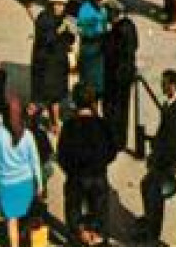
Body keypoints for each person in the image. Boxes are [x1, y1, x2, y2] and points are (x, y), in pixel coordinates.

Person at [139, 69, 176, 244]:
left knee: (155, 196)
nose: (161, 87)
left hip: (168, 162)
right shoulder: (170, 104)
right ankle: (150, 226)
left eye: (164, 84)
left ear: (173, 85)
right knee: (147, 188)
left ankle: (152, 234)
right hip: (161, 159)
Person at [0, 96, 45, 247]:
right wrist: (40, 184)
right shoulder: (27, 135)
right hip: (26, 183)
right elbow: (35, 161)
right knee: (26, 216)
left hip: (5, 184)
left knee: (11, 220)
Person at [58, 82, 118, 236]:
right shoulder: (102, 125)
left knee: (74, 212)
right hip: (98, 175)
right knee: (99, 213)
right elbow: (112, 151)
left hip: (76, 177)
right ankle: (98, 238)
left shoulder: (69, 126)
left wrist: (71, 169)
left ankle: (77, 239)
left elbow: (62, 155)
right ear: (93, 102)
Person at [30, 0, 75, 128]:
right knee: (44, 97)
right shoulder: (44, 19)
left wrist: (69, 32)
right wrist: (60, 30)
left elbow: (69, 39)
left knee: (54, 96)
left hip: (58, 63)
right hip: (46, 63)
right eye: (58, 4)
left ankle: (53, 123)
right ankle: (48, 123)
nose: (60, 8)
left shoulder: (62, 18)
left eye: (62, 5)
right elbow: (47, 40)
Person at [103, 5, 139, 155]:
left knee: (112, 110)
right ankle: (121, 141)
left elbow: (109, 51)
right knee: (124, 110)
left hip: (115, 76)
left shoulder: (117, 31)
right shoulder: (130, 26)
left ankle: (113, 140)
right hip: (127, 73)